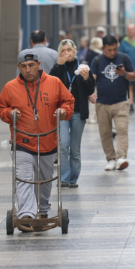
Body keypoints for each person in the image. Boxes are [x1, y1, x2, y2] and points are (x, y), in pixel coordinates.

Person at [0, 52, 75, 231]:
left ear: (39, 64)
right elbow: (1, 107)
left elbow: (69, 101)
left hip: (48, 141)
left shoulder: (54, 83)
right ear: (19, 68)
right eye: (23, 66)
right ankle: (27, 214)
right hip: (22, 142)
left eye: (31, 65)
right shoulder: (10, 87)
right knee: (24, 178)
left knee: (45, 181)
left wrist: (63, 112)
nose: (28, 69)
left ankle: (44, 210)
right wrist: (9, 113)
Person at [49, 39, 95, 188]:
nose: (66, 53)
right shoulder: (58, 67)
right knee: (63, 145)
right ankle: (63, 178)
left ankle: (73, 179)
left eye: (69, 50)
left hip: (78, 111)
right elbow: (49, 85)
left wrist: (87, 78)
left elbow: (90, 90)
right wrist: (59, 65)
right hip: (61, 112)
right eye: (63, 51)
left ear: (75, 51)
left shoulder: (82, 67)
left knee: (75, 147)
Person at [90, 35, 135, 170]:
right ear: (102, 48)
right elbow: (92, 79)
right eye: (109, 50)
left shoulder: (124, 58)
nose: (112, 53)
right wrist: (90, 92)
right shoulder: (97, 60)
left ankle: (121, 158)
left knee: (122, 130)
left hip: (121, 102)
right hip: (102, 103)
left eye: (115, 49)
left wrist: (125, 74)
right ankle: (110, 159)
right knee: (105, 133)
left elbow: (134, 76)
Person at [119, 25, 135, 114]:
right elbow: (120, 54)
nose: (130, 31)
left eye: (132, 29)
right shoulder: (124, 41)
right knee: (129, 87)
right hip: (128, 68)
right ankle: (131, 104)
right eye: (128, 30)